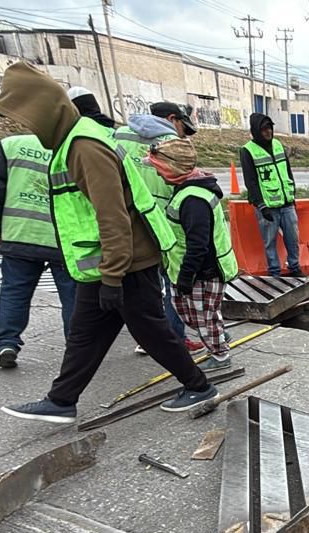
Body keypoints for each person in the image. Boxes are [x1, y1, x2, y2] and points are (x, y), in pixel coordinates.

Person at [0, 62, 215, 423]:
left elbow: (112, 216)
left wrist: (112, 276)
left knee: (152, 332)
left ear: (44, 112)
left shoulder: (85, 147)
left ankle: (199, 386)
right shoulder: (74, 141)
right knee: (85, 335)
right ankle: (62, 400)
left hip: (125, 263)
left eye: (26, 119)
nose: (26, 128)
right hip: (104, 263)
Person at [0, 131, 77, 369]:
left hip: (19, 233)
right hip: (62, 239)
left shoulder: (11, 145)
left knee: (14, 292)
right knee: (72, 296)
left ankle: (7, 343)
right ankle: (76, 349)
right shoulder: (70, 145)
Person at [113, 101, 199, 351]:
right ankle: (174, 339)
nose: (184, 134)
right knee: (172, 281)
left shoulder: (119, 135)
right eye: (184, 127)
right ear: (173, 119)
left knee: (143, 286)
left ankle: (148, 339)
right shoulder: (172, 142)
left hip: (129, 221)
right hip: (164, 223)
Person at [149, 137, 238, 370]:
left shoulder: (193, 199)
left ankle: (220, 356)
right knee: (196, 314)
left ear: (173, 168)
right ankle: (217, 336)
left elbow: (198, 245)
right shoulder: (186, 190)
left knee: (203, 316)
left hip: (203, 272)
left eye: (159, 168)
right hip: (191, 270)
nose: (158, 174)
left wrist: (187, 276)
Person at [239, 112, 302, 278]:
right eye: (264, 129)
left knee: (293, 239)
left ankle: (294, 267)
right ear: (256, 131)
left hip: (286, 203)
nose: (268, 132)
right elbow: (250, 181)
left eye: (270, 128)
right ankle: (274, 272)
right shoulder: (248, 151)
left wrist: (292, 194)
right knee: (270, 242)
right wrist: (261, 204)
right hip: (268, 207)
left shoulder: (278, 145)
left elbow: (287, 171)